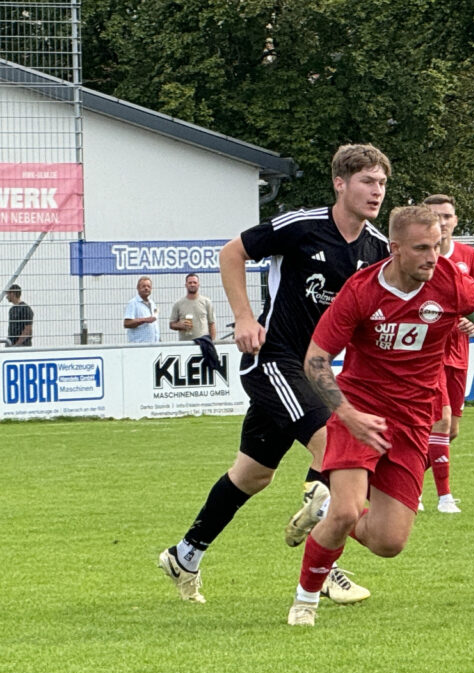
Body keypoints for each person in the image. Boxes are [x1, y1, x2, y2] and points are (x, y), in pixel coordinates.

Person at [158, 143, 392, 606]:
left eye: (382, 183)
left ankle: (185, 555)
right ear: (340, 183)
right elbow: (232, 253)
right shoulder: (302, 226)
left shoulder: (378, 248)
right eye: (367, 181)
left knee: (252, 475)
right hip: (273, 360)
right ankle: (325, 568)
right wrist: (245, 318)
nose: (377, 191)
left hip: (316, 372)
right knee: (336, 444)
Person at [288, 205, 474, 626]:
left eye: (437, 246)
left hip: (413, 421)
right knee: (348, 510)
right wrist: (347, 413)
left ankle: (322, 509)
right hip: (359, 410)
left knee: (389, 543)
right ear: (395, 248)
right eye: (421, 248)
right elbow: (316, 359)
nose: (432, 256)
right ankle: (304, 602)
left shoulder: (450, 282)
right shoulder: (361, 290)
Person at [421, 193, 474, 514]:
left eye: (446, 216)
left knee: (451, 430)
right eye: (434, 215)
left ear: (455, 220)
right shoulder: (417, 256)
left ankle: (395, 479)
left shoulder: (467, 256)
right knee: (440, 422)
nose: (441, 221)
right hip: (428, 351)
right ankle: (444, 497)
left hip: (459, 351)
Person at [169, 272, 217, 340]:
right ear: (186, 285)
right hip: (185, 343)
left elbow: (211, 324)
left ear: (198, 285)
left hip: (203, 342)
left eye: (195, 282)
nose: (192, 285)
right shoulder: (178, 304)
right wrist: (180, 325)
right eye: (190, 283)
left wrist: (212, 342)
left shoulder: (206, 302)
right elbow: (171, 324)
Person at [123, 276, 160, 343]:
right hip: (139, 344)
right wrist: (145, 320)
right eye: (143, 286)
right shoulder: (133, 303)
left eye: (149, 286)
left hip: (153, 344)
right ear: (138, 288)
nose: (146, 288)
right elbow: (127, 323)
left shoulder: (152, 303)